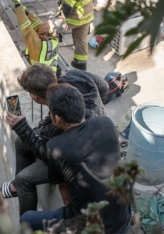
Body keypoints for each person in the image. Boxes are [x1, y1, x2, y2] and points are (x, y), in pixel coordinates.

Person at [0, 63, 108, 216]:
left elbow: (47, 155)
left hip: (80, 157)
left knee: (24, 179)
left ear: (34, 96)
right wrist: (96, 108)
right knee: (21, 142)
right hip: (98, 133)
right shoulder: (78, 76)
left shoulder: (58, 123)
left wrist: (22, 128)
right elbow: (105, 87)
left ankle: (27, 224)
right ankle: (17, 186)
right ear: (54, 76)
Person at [18, 84, 131, 233]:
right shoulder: (105, 123)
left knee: (26, 219)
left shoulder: (56, 146)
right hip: (123, 220)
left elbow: (64, 191)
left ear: (57, 118)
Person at [2, 0, 68, 75]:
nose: (45, 22)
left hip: (36, 77)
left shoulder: (39, 44)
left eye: (50, 23)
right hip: (49, 74)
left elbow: (26, 27)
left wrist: (17, 8)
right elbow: (36, 22)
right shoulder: (53, 39)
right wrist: (21, 7)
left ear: (53, 32)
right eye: (49, 20)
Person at [59, 0, 95, 70]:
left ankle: (49, 58)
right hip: (87, 16)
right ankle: (80, 63)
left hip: (74, 19)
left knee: (51, 31)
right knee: (81, 39)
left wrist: (58, 21)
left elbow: (66, 10)